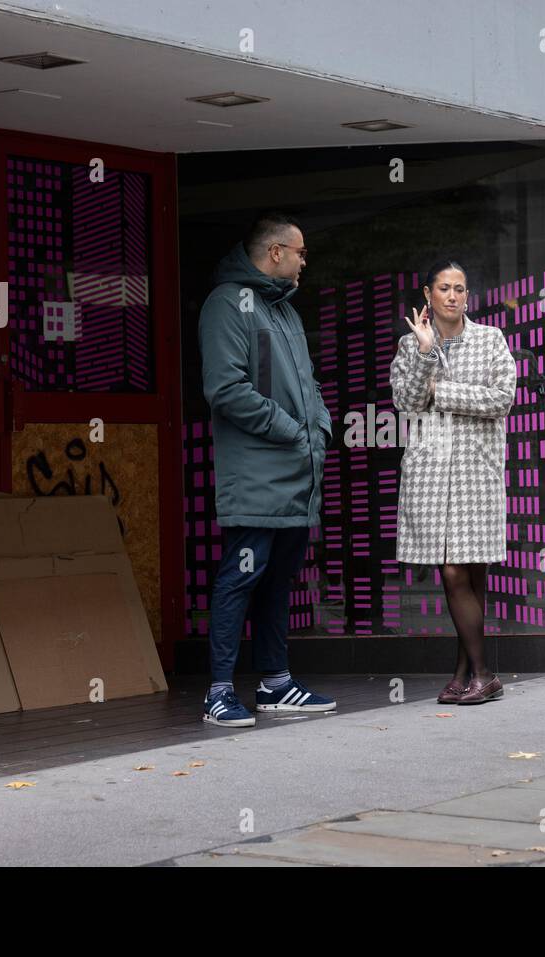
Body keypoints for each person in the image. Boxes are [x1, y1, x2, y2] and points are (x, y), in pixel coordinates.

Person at [197, 212, 336, 726]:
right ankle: (217, 693)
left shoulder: (285, 312)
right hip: (256, 479)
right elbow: (226, 390)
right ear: (275, 252)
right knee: (240, 580)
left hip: (298, 478)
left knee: (279, 584)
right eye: (300, 252)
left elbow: (310, 383)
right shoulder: (226, 305)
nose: (305, 262)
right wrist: (292, 432)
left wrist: (317, 428)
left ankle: (275, 685)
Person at [390, 261, 516, 705]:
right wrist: (426, 355)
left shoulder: (491, 340)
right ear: (428, 293)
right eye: (444, 288)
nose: (452, 296)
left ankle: (475, 674)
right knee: (452, 570)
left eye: (460, 288)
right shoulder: (411, 344)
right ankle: (475, 673)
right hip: (431, 473)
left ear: (467, 295)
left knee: (469, 573)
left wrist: (442, 392)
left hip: (475, 473)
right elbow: (405, 401)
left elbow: (501, 398)